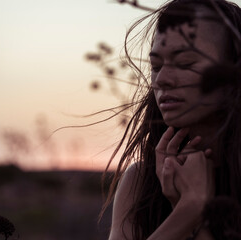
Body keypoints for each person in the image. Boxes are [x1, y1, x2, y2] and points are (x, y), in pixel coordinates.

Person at [103, 0, 241, 239]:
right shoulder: (139, 182)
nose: (162, 79)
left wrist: (193, 211)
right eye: (156, 65)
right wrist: (187, 211)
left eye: (185, 63)